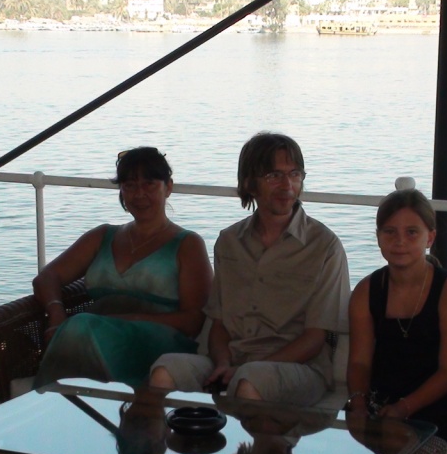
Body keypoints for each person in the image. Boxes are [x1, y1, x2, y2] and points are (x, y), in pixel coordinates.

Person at [149, 132, 350, 408]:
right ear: (249, 183)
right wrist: (222, 363)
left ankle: (259, 450)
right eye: (273, 176)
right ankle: (174, 449)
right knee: (164, 370)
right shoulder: (229, 241)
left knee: (250, 381)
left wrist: (245, 369)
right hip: (233, 360)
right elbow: (219, 324)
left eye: (294, 174)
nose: (287, 185)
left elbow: (314, 339)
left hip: (299, 369)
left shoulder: (324, 246)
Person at [32, 147, 211, 389]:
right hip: (94, 333)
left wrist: (124, 320)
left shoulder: (188, 244)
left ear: (168, 187)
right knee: (79, 329)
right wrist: (56, 313)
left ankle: (48, 402)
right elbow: (47, 277)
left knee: (80, 327)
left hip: (157, 340)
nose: (139, 194)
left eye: (149, 184)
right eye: (130, 186)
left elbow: (194, 320)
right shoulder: (103, 236)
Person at [346, 189, 447, 442]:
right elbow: (359, 363)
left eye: (411, 232)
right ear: (378, 237)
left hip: (435, 401)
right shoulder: (366, 291)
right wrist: (358, 401)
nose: (400, 241)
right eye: (389, 232)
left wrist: (403, 408)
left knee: (393, 436)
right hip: (381, 397)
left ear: (430, 237)